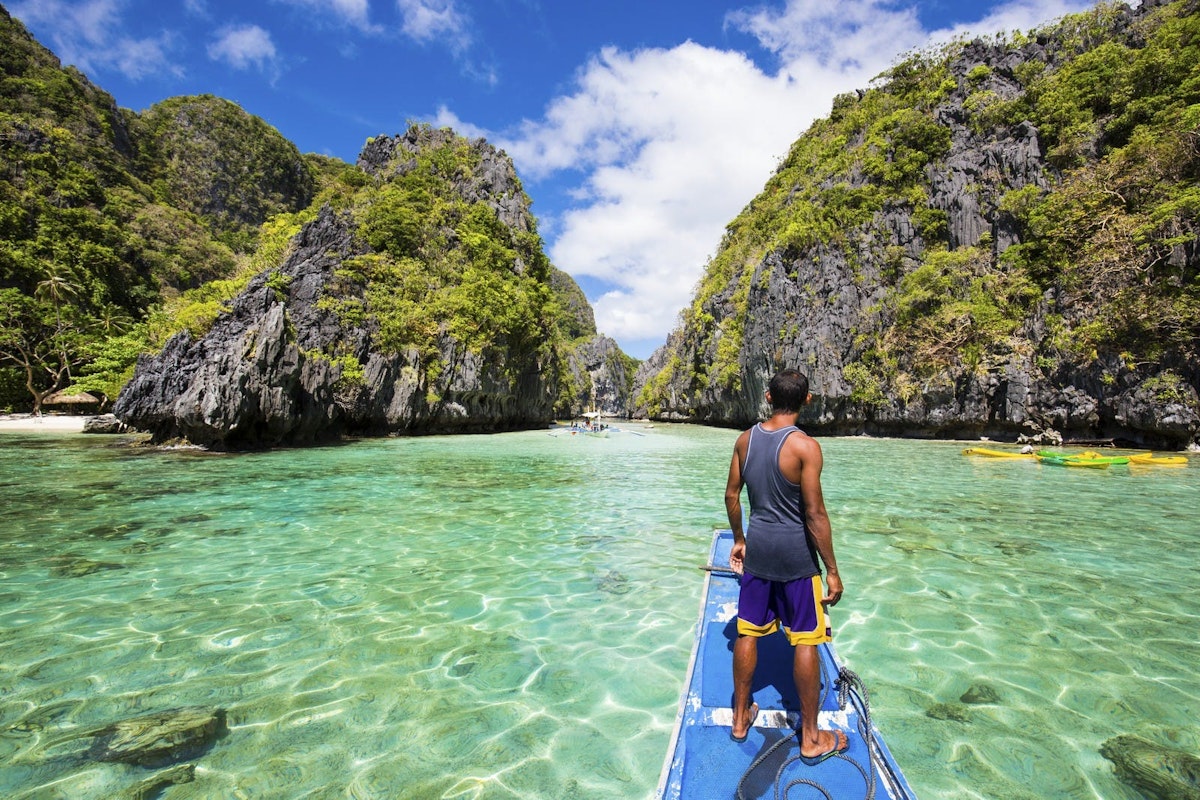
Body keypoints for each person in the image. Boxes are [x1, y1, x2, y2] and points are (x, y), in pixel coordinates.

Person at [724, 369, 847, 763]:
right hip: (796, 560)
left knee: (747, 633)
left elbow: (731, 495)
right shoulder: (805, 448)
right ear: (808, 400)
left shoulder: (745, 440)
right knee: (807, 640)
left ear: (767, 396)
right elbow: (815, 514)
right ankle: (810, 738)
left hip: (758, 554)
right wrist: (831, 569)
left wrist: (740, 540)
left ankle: (740, 718)